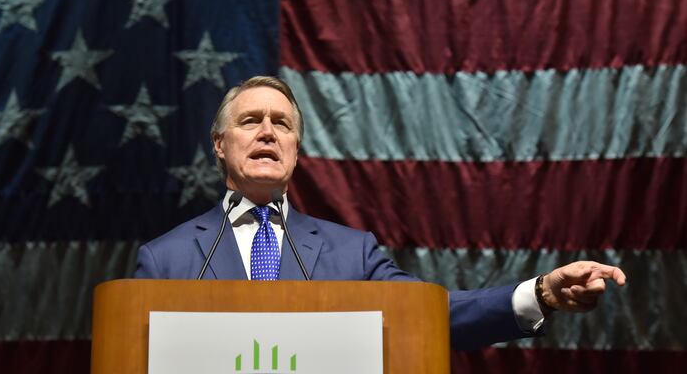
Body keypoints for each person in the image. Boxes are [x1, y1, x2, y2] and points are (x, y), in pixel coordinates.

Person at [135, 76, 626, 350]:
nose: (267, 131)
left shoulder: (352, 252)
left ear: (296, 149)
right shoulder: (166, 259)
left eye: (281, 124)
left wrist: (538, 293)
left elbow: (431, 313)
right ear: (220, 145)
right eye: (250, 121)